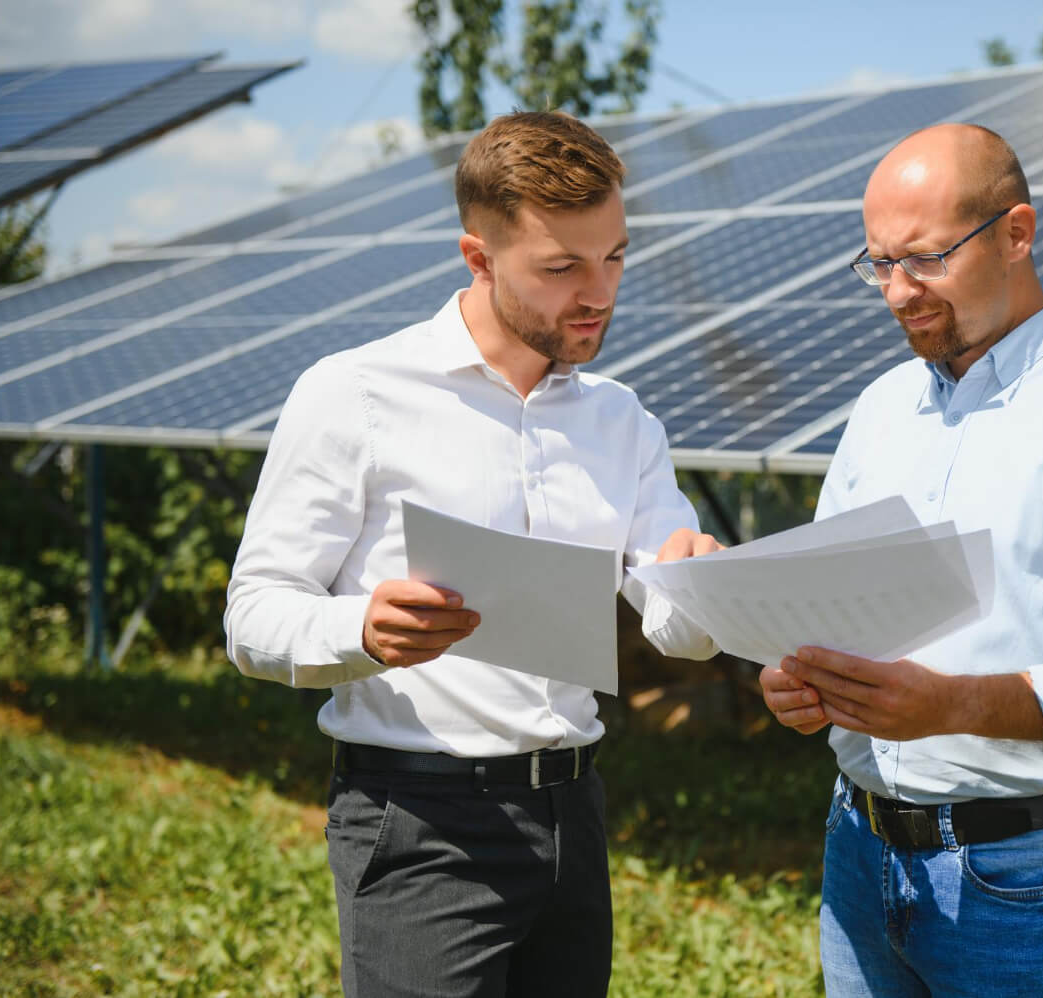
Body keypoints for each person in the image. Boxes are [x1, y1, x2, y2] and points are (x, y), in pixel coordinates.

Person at [224, 110, 720, 998]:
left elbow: (679, 630)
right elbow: (253, 614)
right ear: (478, 258)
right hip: (419, 821)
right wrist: (362, 629)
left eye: (614, 257)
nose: (599, 292)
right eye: (562, 267)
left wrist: (699, 583)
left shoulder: (625, 422)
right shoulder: (355, 395)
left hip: (575, 814)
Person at [759, 123, 1043, 998]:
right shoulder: (882, 407)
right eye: (878, 263)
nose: (898, 292)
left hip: (1022, 870)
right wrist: (798, 680)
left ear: (1016, 233)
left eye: (926, 259)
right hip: (856, 847)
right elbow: (818, 602)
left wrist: (955, 706)